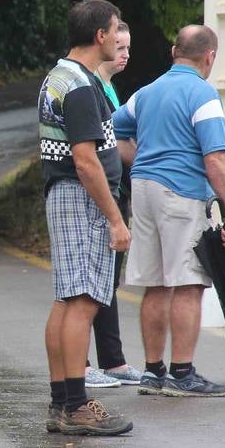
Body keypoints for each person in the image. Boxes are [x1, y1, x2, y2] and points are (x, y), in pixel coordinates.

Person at [112, 25, 225, 398]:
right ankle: (182, 373)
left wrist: (143, 163)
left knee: (155, 282)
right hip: (182, 192)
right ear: (209, 57)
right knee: (188, 283)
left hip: (144, 191)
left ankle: (153, 372)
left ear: (173, 52)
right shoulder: (203, 94)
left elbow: (113, 133)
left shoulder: (146, 93)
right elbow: (216, 159)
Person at [38, 0, 133, 436]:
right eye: (115, 30)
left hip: (67, 197)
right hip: (83, 198)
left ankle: (63, 401)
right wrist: (115, 218)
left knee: (67, 299)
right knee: (83, 301)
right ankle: (76, 405)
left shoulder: (62, 76)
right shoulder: (78, 85)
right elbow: (86, 161)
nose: (119, 38)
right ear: (99, 36)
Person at [83, 21, 144, 388]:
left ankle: (113, 360)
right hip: (100, 192)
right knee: (88, 279)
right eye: (119, 47)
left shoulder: (110, 89)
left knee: (108, 277)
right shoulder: (89, 86)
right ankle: (84, 362)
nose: (124, 55)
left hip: (117, 187)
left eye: (128, 49)